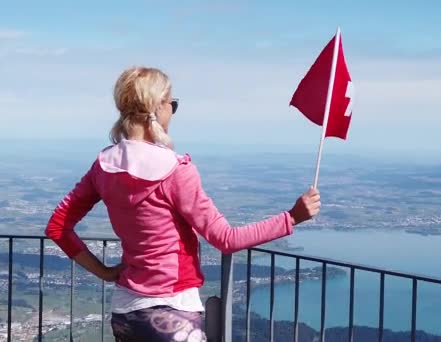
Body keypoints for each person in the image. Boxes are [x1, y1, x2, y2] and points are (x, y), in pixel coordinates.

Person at [44, 66, 321, 342]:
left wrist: (105, 273)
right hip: (174, 313)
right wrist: (292, 217)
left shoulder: (103, 166)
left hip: (125, 311)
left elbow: (58, 227)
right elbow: (226, 239)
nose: (172, 112)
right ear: (157, 108)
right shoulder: (175, 171)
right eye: (172, 104)